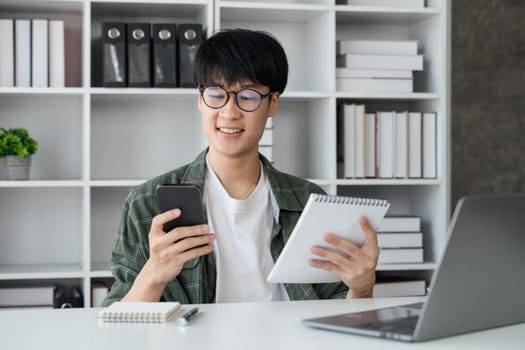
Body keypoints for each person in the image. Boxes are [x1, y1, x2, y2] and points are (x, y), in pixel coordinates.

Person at [102, 28, 379, 306]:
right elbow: (117, 324)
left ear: (272, 104)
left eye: (247, 96)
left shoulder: (309, 201)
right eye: (215, 93)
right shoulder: (147, 203)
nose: (229, 112)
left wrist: (363, 287)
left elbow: (339, 315)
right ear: (200, 100)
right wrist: (154, 274)